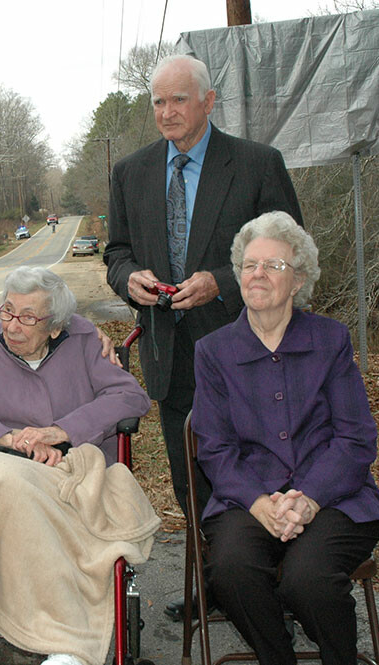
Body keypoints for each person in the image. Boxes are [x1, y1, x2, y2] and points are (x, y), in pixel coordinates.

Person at [103, 53, 304, 620]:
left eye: (178, 100)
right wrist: (129, 279)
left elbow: (290, 251)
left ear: (208, 102)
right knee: (191, 477)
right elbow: (117, 252)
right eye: (158, 102)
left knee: (268, 466)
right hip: (171, 354)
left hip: (253, 348)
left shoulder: (258, 164)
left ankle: (279, 591)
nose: (166, 113)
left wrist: (221, 282)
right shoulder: (131, 172)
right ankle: (217, 586)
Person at [0, 266, 159, 665]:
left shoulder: (82, 342)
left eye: (28, 317)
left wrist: (61, 431)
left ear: (56, 326)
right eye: (7, 312)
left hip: (68, 468)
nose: (12, 326)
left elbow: (129, 398)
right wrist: (4, 438)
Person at [192, 211, 379, 665]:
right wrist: (261, 502)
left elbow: (356, 439)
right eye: (250, 264)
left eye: (273, 266)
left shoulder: (330, 340)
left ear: (298, 281)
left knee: (309, 579)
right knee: (232, 570)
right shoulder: (214, 352)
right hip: (247, 498)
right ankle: (277, 657)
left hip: (335, 498)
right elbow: (215, 448)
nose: (258, 274)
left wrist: (310, 498)